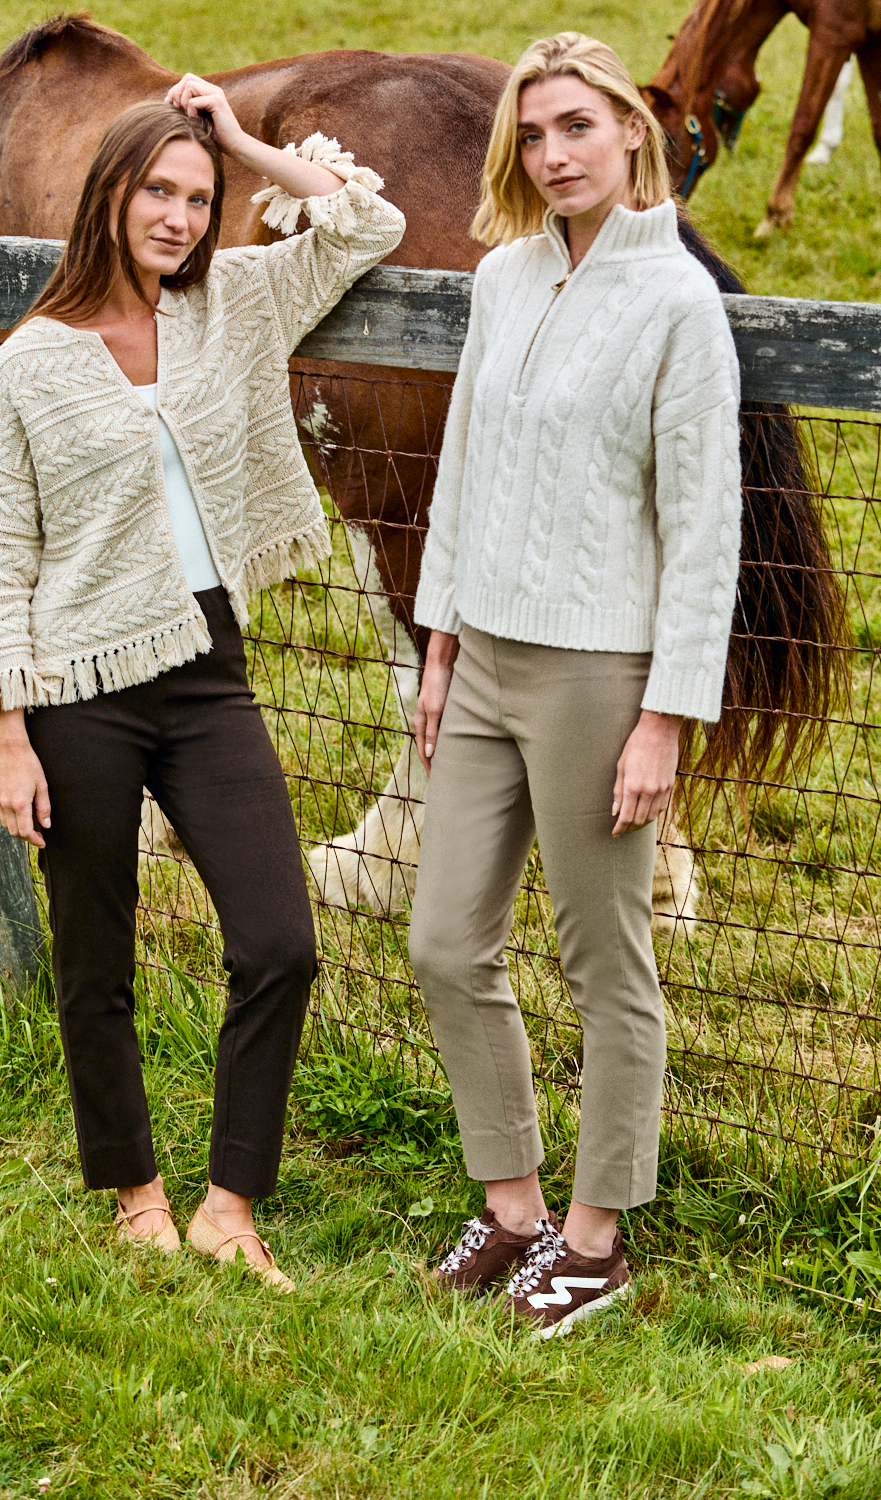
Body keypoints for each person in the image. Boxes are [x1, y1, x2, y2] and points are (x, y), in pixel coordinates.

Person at [0, 77, 404, 1283]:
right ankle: (135, 1191)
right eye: (157, 190)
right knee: (94, 958)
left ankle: (229, 1203)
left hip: (209, 673)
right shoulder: (32, 365)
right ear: (110, 194)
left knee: (280, 941)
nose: (179, 217)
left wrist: (243, 141)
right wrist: (10, 737)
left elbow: (369, 224)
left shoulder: (237, 304)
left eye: (199, 200)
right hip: (78, 687)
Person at [408, 32, 741, 1336]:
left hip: (601, 670)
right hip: (481, 653)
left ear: (629, 131)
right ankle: (514, 1210)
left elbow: (703, 527)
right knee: (444, 942)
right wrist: (437, 645)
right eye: (533, 136)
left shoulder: (679, 304)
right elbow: (465, 467)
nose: (553, 155)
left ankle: (596, 1240)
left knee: (606, 960)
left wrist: (666, 713)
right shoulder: (503, 277)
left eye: (575, 129)